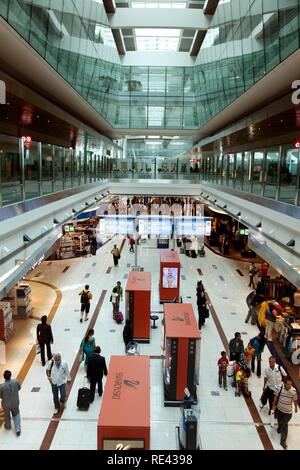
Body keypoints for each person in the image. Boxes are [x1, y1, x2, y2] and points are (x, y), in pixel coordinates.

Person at [272, 379, 298, 449]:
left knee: (284, 424)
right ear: (284, 383)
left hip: (288, 412)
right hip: (279, 409)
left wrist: (295, 407)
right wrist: (273, 406)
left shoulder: (293, 391)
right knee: (280, 421)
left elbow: (295, 400)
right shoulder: (280, 387)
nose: (289, 386)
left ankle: (283, 441)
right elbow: (275, 397)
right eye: (287, 384)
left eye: (290, 384)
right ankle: (279, 428)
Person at [0, 370, 21, 436]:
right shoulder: (15, 381)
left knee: (6, 415)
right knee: (16, 415)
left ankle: (8, 426)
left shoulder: (2, 386)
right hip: (15, 402)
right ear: (10, 375)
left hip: (6, 404)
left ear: (4, 377)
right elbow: (19, 388)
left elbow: (0, 396)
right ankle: (18, 429)